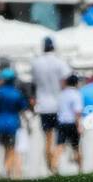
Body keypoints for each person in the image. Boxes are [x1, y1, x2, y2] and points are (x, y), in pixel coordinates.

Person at [31, 38, 72, 174]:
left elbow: (34, 83)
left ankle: (50, 166)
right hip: (58, 105)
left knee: (47, 138)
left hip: (43, 105)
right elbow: (66, 82)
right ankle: (54, 165)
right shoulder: (59, 62)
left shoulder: (36, 63)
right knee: (59, 138)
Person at [0, 66, 30, 179]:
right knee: (10, 149)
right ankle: (6, 171)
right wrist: (28, 123)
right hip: (13, 124)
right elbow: (22, 110)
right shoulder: (17, 93)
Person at [55, 74, 85, 172]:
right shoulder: (76, 94)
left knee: (59, 146)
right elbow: (77, 112)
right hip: (72, 123)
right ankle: (80, 168)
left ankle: (54, 167)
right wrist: (79, 125)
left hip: (61, 123)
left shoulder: (61, 94)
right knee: (76, 147)